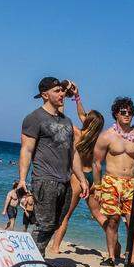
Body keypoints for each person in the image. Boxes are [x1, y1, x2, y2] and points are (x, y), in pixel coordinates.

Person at [17, 77, 89, 256]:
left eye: (62, 91)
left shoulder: (66, 121)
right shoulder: (34, 118)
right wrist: (22, 179)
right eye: (57, 91)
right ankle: (31, 258)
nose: (62, 94)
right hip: (45, 179)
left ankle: (34, 255)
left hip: (64, 181)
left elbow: (73, 153)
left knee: (56, 223)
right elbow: (26, 150)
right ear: (45, 94)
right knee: (45, 225)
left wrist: (82, 179)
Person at [92, 98, 134, 266]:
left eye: (130, 112)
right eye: (123, 112)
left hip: (131, 183)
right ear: (116, 113)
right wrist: (98, 187)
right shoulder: (107, 136)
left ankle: (131, 259)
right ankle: (111, 257)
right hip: (111, 181)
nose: (127, 115)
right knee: (113, 220)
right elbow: (96, 163)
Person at [47, 106, 105, 257]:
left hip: (78, 178)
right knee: (98, 214)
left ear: (88, 121)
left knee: (65, 214)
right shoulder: (98, 139)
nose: (82, 116)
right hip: (93, 177)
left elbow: (60, 117)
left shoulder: (78, 133)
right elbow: (81, 114)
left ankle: (55, 247)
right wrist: (77, 98)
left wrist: (63, 97)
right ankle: (115, 246)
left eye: (86, 117)